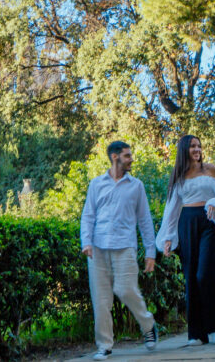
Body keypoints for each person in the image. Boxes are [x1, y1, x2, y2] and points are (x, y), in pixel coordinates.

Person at [80, 140, 159, 360]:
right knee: (101, 299)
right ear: (115, 157)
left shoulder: (136, 186)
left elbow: (144, 220)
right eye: (127, 155)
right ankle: (104, 345)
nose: (131, 159)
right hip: (97, 248)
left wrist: (150, 252)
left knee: (126, 290)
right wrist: (86, 242)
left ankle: (148, 324)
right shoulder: (96, 184)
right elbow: (88, 216)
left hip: (125, 247)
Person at [157, 134, 215, 346]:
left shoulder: (211, 169)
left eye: (199, 145)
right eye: (192, 147)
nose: (197, 149)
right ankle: (196, 333)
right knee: (191, 277)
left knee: (205, 274)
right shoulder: (178, 174)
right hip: (186, 223)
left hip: (208, 221)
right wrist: (168, 238)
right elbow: (172, 209)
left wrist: (213, 202)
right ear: (184, 151)